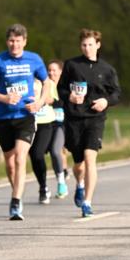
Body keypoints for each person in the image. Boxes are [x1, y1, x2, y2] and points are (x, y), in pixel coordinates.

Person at [0, 24, 51, 221]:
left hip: (25, 116)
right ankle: (17, 193)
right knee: (11, 164)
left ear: (24, 41)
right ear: (7, 42)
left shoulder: (34, 59)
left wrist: (39, 102)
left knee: (21, 158)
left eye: (18, 41)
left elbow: (46, 83)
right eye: (11, 41)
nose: (14, 45)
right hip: (4, 118)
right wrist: (4, 98)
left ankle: (15, 201)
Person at [59, 28, 121, 218]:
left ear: (98, 45)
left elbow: (117, 93)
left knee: (89, 158)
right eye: (84, 45)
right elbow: (60, 89)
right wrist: (69, 96)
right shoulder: (71, 65)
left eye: (91, 44)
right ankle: (80, 184)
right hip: (74, 119)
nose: (87, 48)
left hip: (95, 119)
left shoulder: (107, 69)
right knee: (79, 165)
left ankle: (87, 202)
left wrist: (106, 102)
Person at [28, 67, 61, 204]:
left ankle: (43, 188)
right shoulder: (24, 82)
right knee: (33, 157)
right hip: (28, 122)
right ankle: (43, 186)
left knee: (37, 154)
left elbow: (52, 99)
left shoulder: (48, 83)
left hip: (46, 122)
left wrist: (41, 99)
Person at [48, 60, 70, 198]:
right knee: (54, 152)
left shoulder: (65, 86)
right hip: (49, 124)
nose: (51, 73)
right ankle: (61, 178)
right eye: (49, 70)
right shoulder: (44, 86)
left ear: (61, 72)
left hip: (64, 124)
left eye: (54, 70)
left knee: (59, 151)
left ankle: (63, 181)